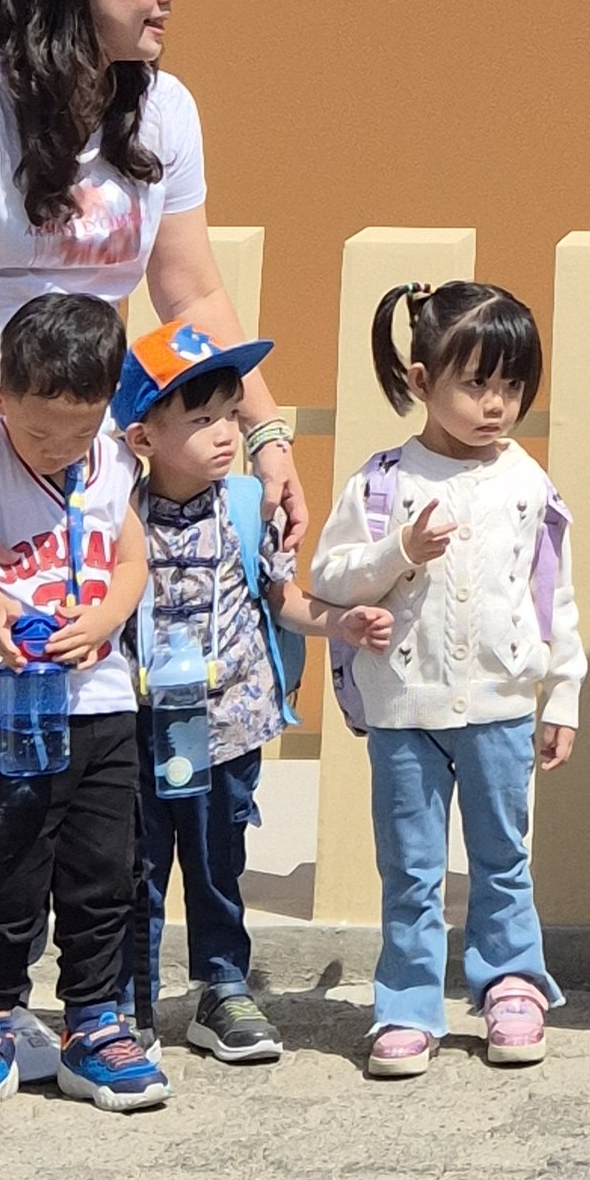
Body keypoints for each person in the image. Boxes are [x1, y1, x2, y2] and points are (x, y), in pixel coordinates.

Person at [0, 0, 306, 1095]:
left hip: (88, 481)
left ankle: (77, 1005)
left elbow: (188, 294)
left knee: (87, 757)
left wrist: (267, 437)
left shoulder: (165, 112)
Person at [310, 280, 583, 1079]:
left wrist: (561, 689)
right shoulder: (381, 481)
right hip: (403, 712)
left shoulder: (528, 482)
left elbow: (552, 594)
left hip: (500, 706)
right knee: (411, 868)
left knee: (504, 856)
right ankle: (405, 1005)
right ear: (422, 380)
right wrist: (399, 551)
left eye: (512, 385)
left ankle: (511, 985)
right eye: (475, 382)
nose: (496, 403)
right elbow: (330, 575)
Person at [116, 317, 380, 1065]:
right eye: (199, 420)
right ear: (143, 438)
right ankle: (129, 1001)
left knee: (217, 858)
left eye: (229, 413)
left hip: (229, 721)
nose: (224, 433)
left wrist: (340, 623)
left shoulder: (244, 505)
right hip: (137, 726)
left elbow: (281, 598)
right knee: (135, 864)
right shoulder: (119, 514)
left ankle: (224, 986)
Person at [0, 293, 160, 1118]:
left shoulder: (114, 460)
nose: (61, 449)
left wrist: (105, 617)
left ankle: (94, 1020)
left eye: (79, 429)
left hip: (101, 706)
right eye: (39, 432)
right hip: (6, 709)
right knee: (10, 865)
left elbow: (130, 557)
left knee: (102, 868)